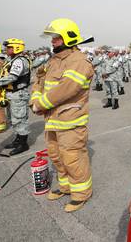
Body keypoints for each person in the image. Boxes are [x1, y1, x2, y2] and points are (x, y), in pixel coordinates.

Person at [31, 18, 94, 212]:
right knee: (56, 155)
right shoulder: (54, 61)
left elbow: (66, 89)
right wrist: (35, 99)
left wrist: (40, 104)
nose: (52, 41)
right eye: (52, 37)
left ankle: (81, 193)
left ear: (68, 37)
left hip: (70, 121)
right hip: (52, 119)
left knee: (72, 158)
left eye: (56, 37)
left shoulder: (79, 62)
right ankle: (65, 186)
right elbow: (40, 81)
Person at [0, 38, 31, 155]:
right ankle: (17, 140)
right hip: (11, 94)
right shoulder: (11, 60)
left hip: (18, 94)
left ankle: (23, 144)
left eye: (9, 47)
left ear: (16, 47)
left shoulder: (19, 61)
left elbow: (13, 77)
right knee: (13, 119)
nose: (6, 49)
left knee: (19, 119)